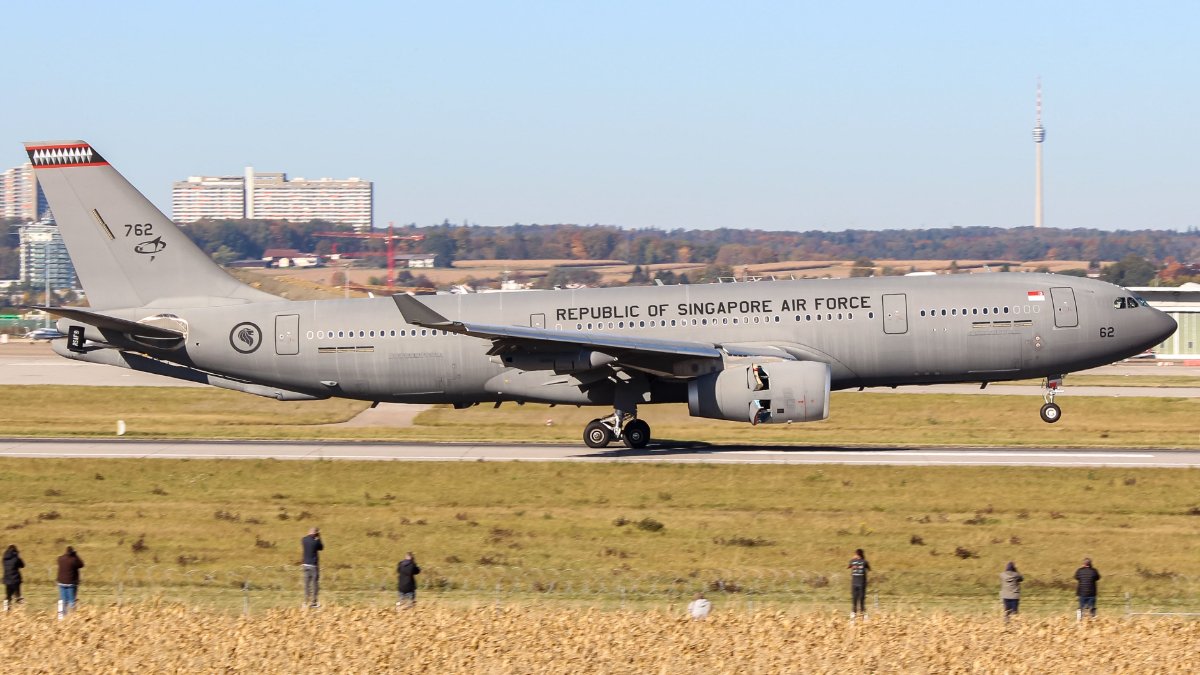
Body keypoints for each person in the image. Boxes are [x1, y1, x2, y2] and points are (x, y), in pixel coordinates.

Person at [56, 546, 84, 618]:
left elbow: (59, 560)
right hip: (71, 583)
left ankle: (61, 617)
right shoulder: (74, 560)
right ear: (72, 553)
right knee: (72, 601)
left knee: (63, 601)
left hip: (61, 582)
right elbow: (81, 564)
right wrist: (76, 555)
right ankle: (73, 617)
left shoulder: (60, 559)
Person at [301, 527, 323, 608]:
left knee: (307, 584)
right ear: (315, 533)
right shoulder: (316, 542)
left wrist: (313, 534)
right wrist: (319, 538)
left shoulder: (303, 540)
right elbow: (321, 548)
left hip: (305, 565)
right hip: (313, 565)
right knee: (314, 584)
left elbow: (307, 538)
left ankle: (305, 602)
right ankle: (314, 602)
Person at [848, 548, 870, 618]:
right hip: (862, 583)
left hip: (854, 583)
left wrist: (853, 559)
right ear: (862, 554)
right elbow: (869, 569)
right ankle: (864, 619)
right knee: (862, 602)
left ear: (856, 554)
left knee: (854, 601)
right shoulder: (865, 562)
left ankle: (852, 620)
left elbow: (849, 566)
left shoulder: (852, 561)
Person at [3, 544, 24, 609]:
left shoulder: (4, 558)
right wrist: (17, 556)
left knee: (8, 596)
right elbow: (22, 565)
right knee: (18, 595)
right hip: (15, 579)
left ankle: (6, 610)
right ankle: (20, 610)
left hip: (7, 579)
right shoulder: (16, 558)